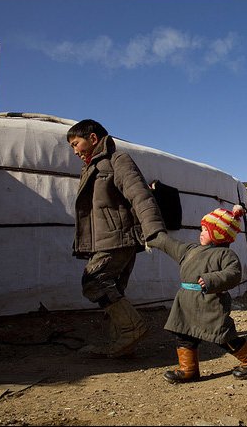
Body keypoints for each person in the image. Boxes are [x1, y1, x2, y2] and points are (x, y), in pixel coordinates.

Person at [67, 119, 167, 358]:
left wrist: (153, 229)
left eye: (75, 143)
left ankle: (131, 329)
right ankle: (121, 343)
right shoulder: (92, 167)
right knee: (114, 288)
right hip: (106, 239)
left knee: (94, 281)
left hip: (118, 238)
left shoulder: (117, 160)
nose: (74, 151)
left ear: (92, 138)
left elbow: (139, 194)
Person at [146, 204, 247, 383]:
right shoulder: (190, 250)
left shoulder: (226, 255)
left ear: (219, 233)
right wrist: (153, 236)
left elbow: (233, 274)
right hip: (186, 303)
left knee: (222, 337)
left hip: (210, 304)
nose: (200, 232)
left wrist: (211, 280)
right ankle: (189, 370)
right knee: (184, 334)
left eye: (205, 229)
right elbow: (170, 244)